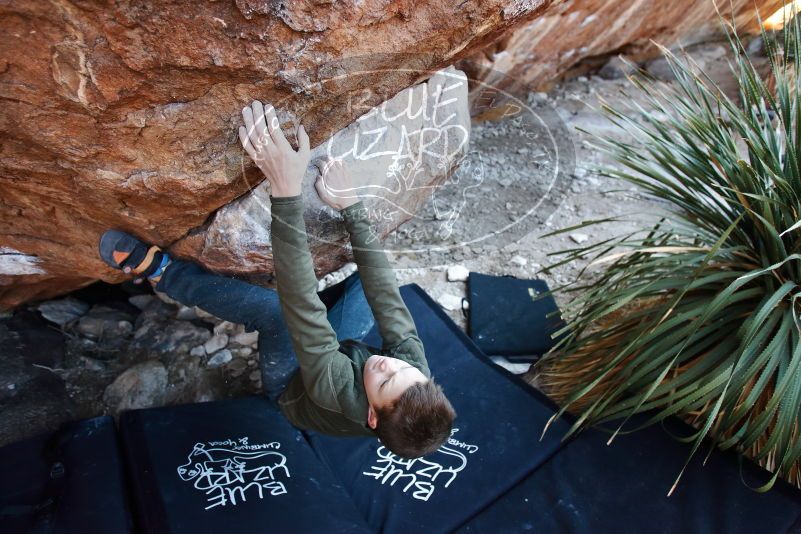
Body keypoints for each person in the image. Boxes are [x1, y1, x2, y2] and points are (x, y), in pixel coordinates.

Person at [98, 100, 455, 459]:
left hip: (293, 383)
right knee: (371, 287)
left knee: (279, 315)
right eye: (405, 369)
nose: (391, 364)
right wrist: (351, 207)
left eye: (386, 382)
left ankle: (164, 272)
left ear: (371, 416)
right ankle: (341, 341)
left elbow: (300, 303)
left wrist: (285, 189)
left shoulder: (336, 389)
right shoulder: (413, 376)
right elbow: (386, 295)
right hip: (344, 355)